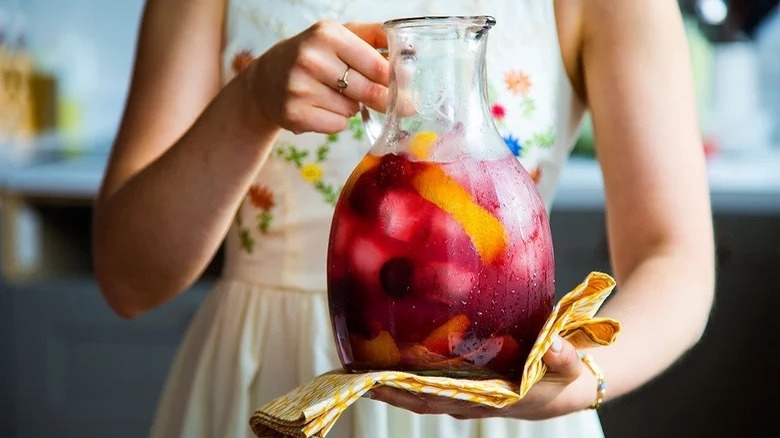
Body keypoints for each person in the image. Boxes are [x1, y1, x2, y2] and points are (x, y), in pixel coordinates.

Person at [92, 0, 715, 437]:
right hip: (266, 381)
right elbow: (129, 280)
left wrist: (586, 377)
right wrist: (251, 103)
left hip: (498, 398)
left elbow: (675, 256)